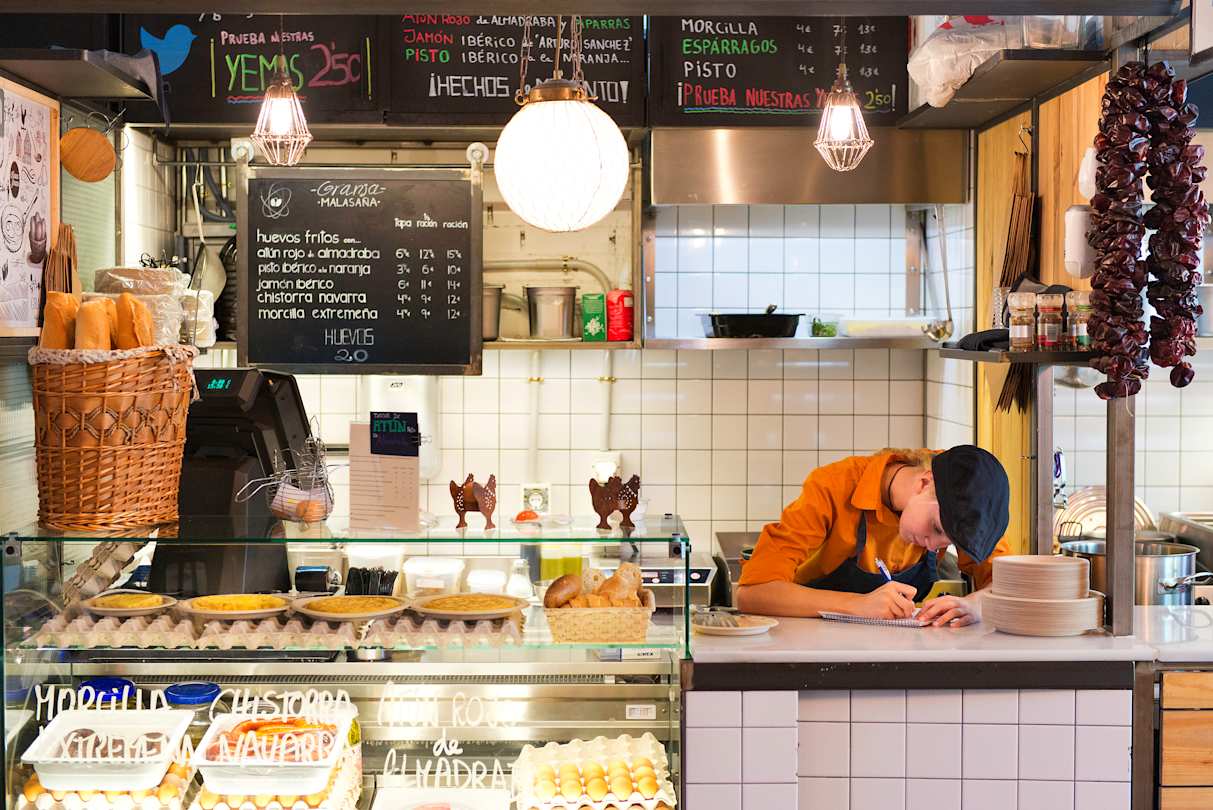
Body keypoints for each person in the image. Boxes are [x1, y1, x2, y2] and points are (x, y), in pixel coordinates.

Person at [735, 446, 1011, 627]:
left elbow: (1012, 582)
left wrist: (976, 604)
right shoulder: (833, 486)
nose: (934, 546)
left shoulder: (966, 490)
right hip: (809, 644)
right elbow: (753, 594)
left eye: (949, 543)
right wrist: (859, 605)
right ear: (924, 483)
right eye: (937, 529)